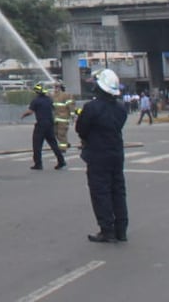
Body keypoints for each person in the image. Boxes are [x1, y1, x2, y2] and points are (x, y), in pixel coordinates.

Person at [76, 68, 128, 243]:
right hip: (116, 154)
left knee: (101, 192)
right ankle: (121, 230)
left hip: (98, 155)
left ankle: (107, 230)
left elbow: (81, 129)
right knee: (118, 191)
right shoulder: (121, 108)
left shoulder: (91, 108)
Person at [20, 82, 66, 170]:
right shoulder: (49, 100)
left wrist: (23, 115)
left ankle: (38, 164)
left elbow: (30, 112)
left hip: (41, 125)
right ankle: (61, 161)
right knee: (53, 144)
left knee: (37, 144)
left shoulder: (36, 100)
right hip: (49, 124)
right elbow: (53, 109)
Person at [52, 83, 75, 150]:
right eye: (55, 87)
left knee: (61, 134)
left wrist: (72, 115)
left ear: (60, 87)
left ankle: (63, 148)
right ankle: (65, 143)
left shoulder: (66, 95)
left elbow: (71, 105)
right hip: (55, 118)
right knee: (55, 132)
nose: (55, 88)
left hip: (63, 118)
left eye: (57, 87)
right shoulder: (53, 96)